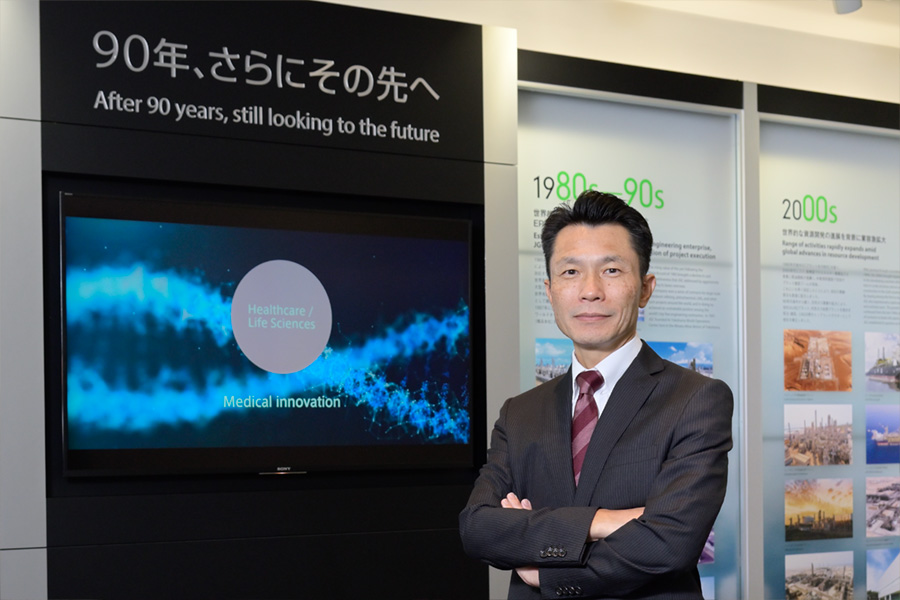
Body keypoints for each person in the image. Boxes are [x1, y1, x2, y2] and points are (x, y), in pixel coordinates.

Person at [459, 191, 733, 599]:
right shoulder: (520, 412)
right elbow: (478, 528)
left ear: (645, 289)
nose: (590, 291)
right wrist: (602, 521)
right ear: (550, 290)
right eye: (571, 272)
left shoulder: (695, 400)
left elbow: (670, 544)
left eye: (611, 270)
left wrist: (545, 571)